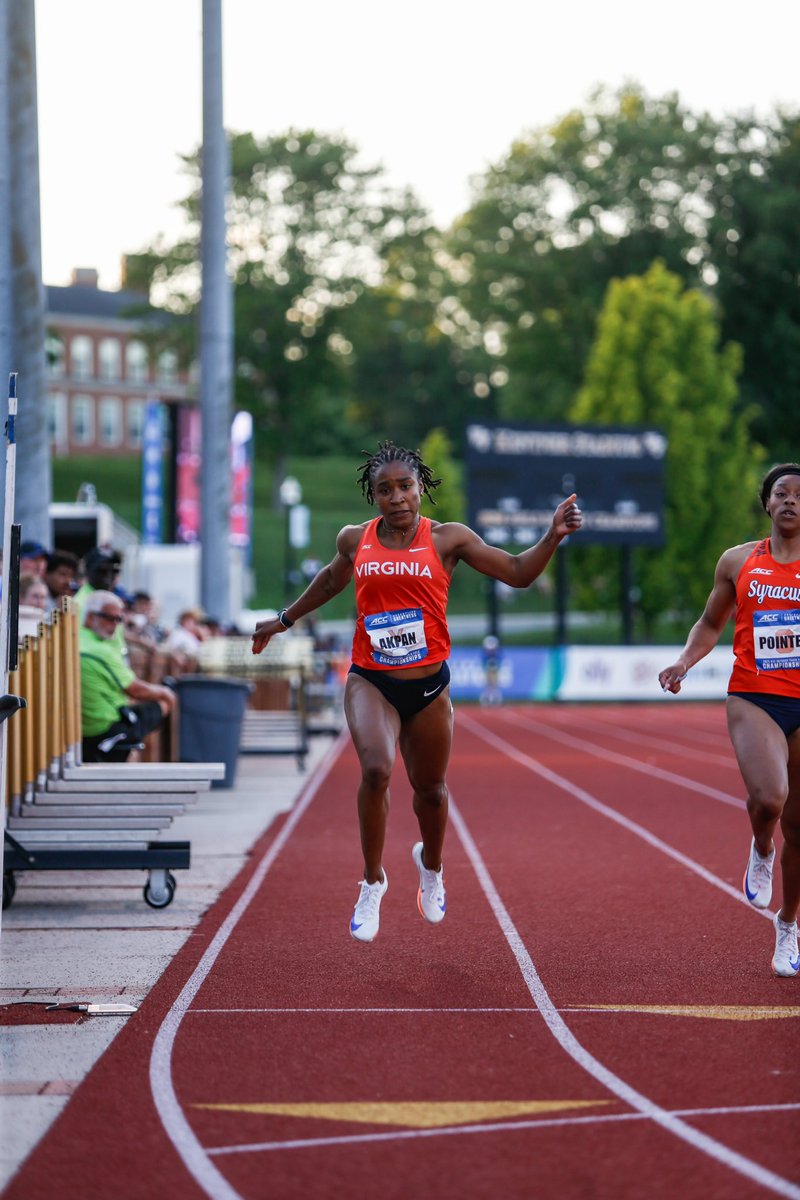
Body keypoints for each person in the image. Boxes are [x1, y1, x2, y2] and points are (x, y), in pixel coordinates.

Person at [251, 441, 583, 943]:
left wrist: (552, 537)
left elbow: (517, 573)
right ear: (374, 497)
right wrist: (283, 620)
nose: (397, 498)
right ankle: (372, 880)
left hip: (429, 686)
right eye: (384, 490)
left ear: (421, 488)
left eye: (405, 486)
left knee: (430, 789)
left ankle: (431, 866)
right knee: (377, 768)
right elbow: (329, 581)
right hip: (371, 678)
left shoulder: (449, 539)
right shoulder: (354, 540)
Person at [658, 462, 800, 979]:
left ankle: (788, 925)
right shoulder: (738, 562)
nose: (790, 501)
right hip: (755, 696)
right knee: (769, 799)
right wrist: (683, 662)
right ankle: (761, 846)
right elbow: (710, 621)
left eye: (799, 496)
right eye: (781, 493)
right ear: (767, 502)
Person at [79, 590, 176, 762]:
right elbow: (136, 690)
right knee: (162, 704)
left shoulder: (79, 640)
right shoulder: (99, 650)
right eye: (109, 618)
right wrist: (167, 694)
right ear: (89, 617)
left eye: (119, 619)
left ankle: (130, 752)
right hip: (103, 728)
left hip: (83, 727)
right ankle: (132, 754)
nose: (114, 625)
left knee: (136, 715)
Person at [43, 549, 79, 614]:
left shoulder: (72, 600)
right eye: (63, 574)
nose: (68, 581)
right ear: (46, 574)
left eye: (71, 576)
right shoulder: (36, 598)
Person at [17, 573, 50, 639]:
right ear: (21, 598)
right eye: (35, 596)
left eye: (43, 597)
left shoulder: (48, 625)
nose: (40, 601)